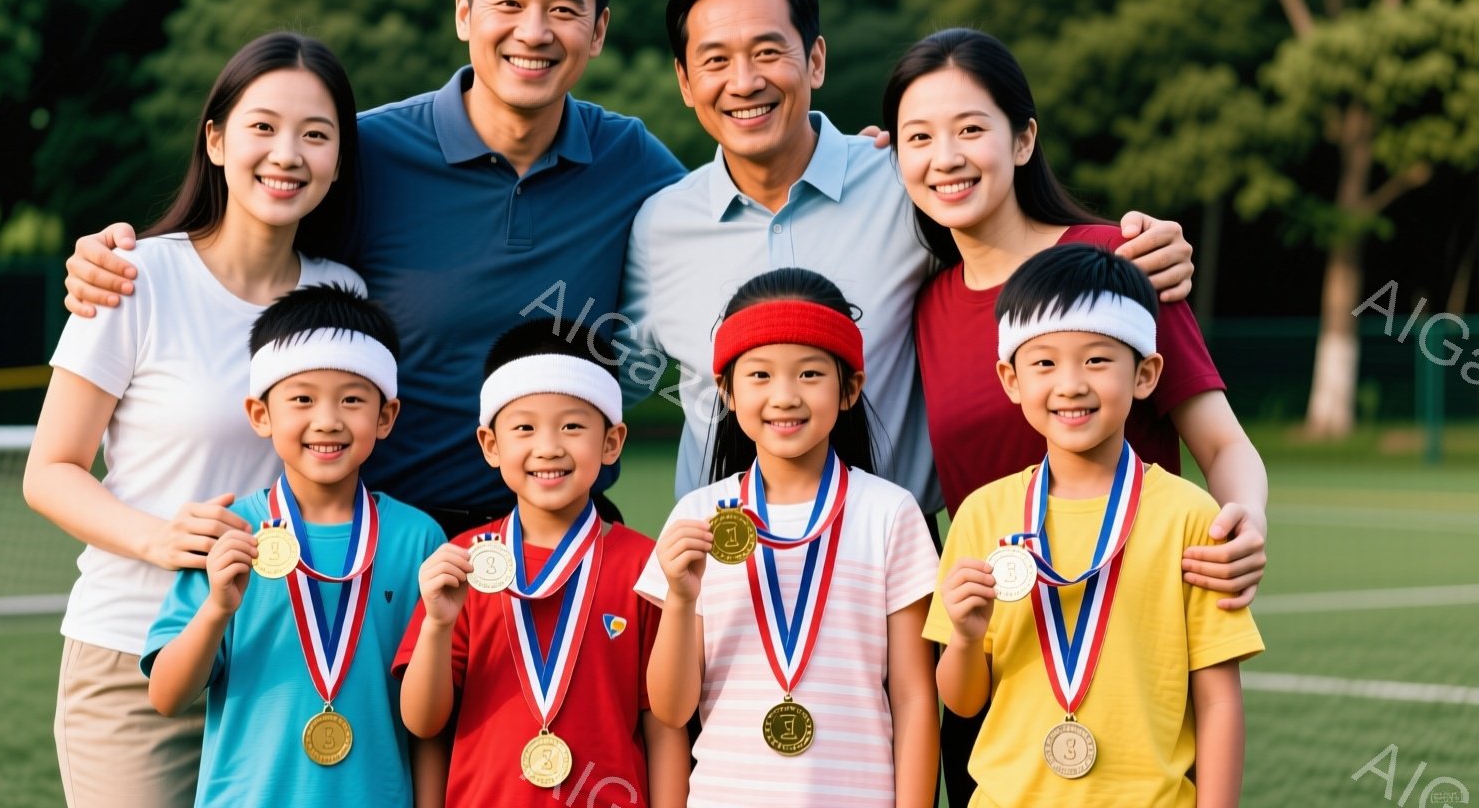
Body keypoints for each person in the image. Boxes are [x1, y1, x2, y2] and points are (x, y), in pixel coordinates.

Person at [59, 0, 686, 536]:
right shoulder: (364, 154)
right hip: (386, 552)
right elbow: (250, 249)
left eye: (564, 10)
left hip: (565, 542)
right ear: (465, 13)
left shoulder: (632, 161)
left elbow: (741, 215)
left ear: (599, 30)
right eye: (509, 3)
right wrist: (122, 256)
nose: (534, 31)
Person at [619, 0, 1195, 534]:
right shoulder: (658, 226)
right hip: (729, 554)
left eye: (769, 52)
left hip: (896, 558)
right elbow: (601, 381)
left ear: (816, 60)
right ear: (685, 82)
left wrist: (1125, 248)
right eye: (715, 61)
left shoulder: (909, 182)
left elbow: (1013, 238)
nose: (744, 82)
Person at [881, 27, 1270, 807]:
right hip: (999, 646)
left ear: (1023, 139)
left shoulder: (1113, 262)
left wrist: (1245, 527)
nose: (945, 157)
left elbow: (1222, 438)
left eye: (971, 129)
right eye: (918, 137)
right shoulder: (926, 300)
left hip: (1133, 638)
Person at [22, 32, 368, 807]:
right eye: (262, 127)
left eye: (316, 135)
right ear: (215, 139)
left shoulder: (344, 295)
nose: (287, 154)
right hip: (135, 654)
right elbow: (49, 471)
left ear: (340, 159)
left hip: (285, 663)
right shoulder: (133, 277)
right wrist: (156, 538)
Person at [924, 244, 1264, 806]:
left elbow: (1219, 701)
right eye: (1044, 363)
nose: (1071, 384)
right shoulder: (982, 514)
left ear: (1147, 373)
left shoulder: (1190, 517)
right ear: (1011, 380)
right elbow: (962, 702)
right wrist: (963, 636)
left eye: (1098, 360)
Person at [637, 268, 939, 808]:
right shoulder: (699, 515)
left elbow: (915, 697)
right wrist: (681, 600)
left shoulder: (890, 514)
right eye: (759, 376)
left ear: (849, 389)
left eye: (808, 374)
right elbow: (671, 709)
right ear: (726, 391)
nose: (784, 396)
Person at [144, 284, 445, 806]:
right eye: (302, 398)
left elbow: (429, 721)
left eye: (352, 398)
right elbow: (168, 696)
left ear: (386, 416)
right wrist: (217, 607)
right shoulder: (230, 532)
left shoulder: (418, 539)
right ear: (261, 414)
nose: (327, 419)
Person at [396, 320, 689, 807]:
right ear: (492, 445)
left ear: (612, 442)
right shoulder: (462, 564)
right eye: (524, 427)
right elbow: (424, 724)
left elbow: (664, 725)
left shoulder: (646, 564)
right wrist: (436, 626)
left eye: (573, 425)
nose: (549, 446)